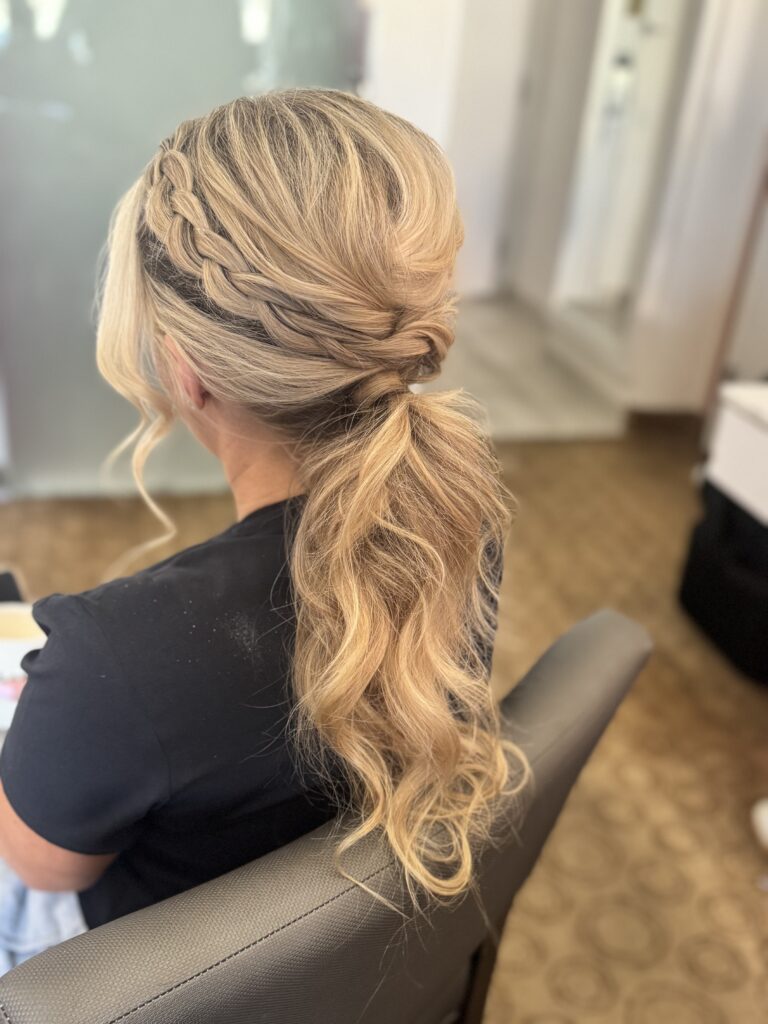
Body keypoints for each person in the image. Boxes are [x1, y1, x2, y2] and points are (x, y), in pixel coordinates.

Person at [0, 89, 527, 969]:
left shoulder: (116, 661)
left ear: (186, 371)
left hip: (151, 976)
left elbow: (38, 869)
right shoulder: (460, 517)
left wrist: (51, 725)